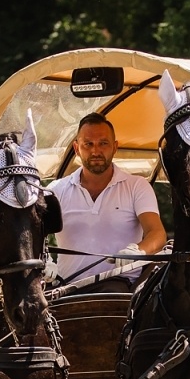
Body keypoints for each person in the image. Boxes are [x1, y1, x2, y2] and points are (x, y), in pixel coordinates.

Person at [47, 113, 167, 291]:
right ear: (76, 148)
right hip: (66, 290)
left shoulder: (137, 186)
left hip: (119, 290)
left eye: (103, 143)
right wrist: (44, 262)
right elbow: (32, 236)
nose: (96, 151)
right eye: (88, 144)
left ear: (115, 147)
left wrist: (138, 251)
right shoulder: (55, 190)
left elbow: (157, 233)